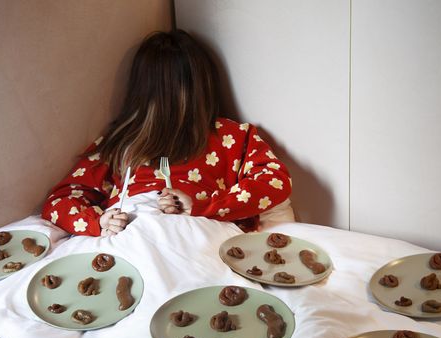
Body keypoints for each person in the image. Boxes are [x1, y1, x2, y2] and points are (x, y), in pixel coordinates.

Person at [41, 29, 292, 237]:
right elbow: (60, 201)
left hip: (197, 229)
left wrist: (203, 206)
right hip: (134, 230)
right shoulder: (120, 142)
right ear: (203, 84)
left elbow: (274, 181)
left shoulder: (232, 136)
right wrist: (100, 222)